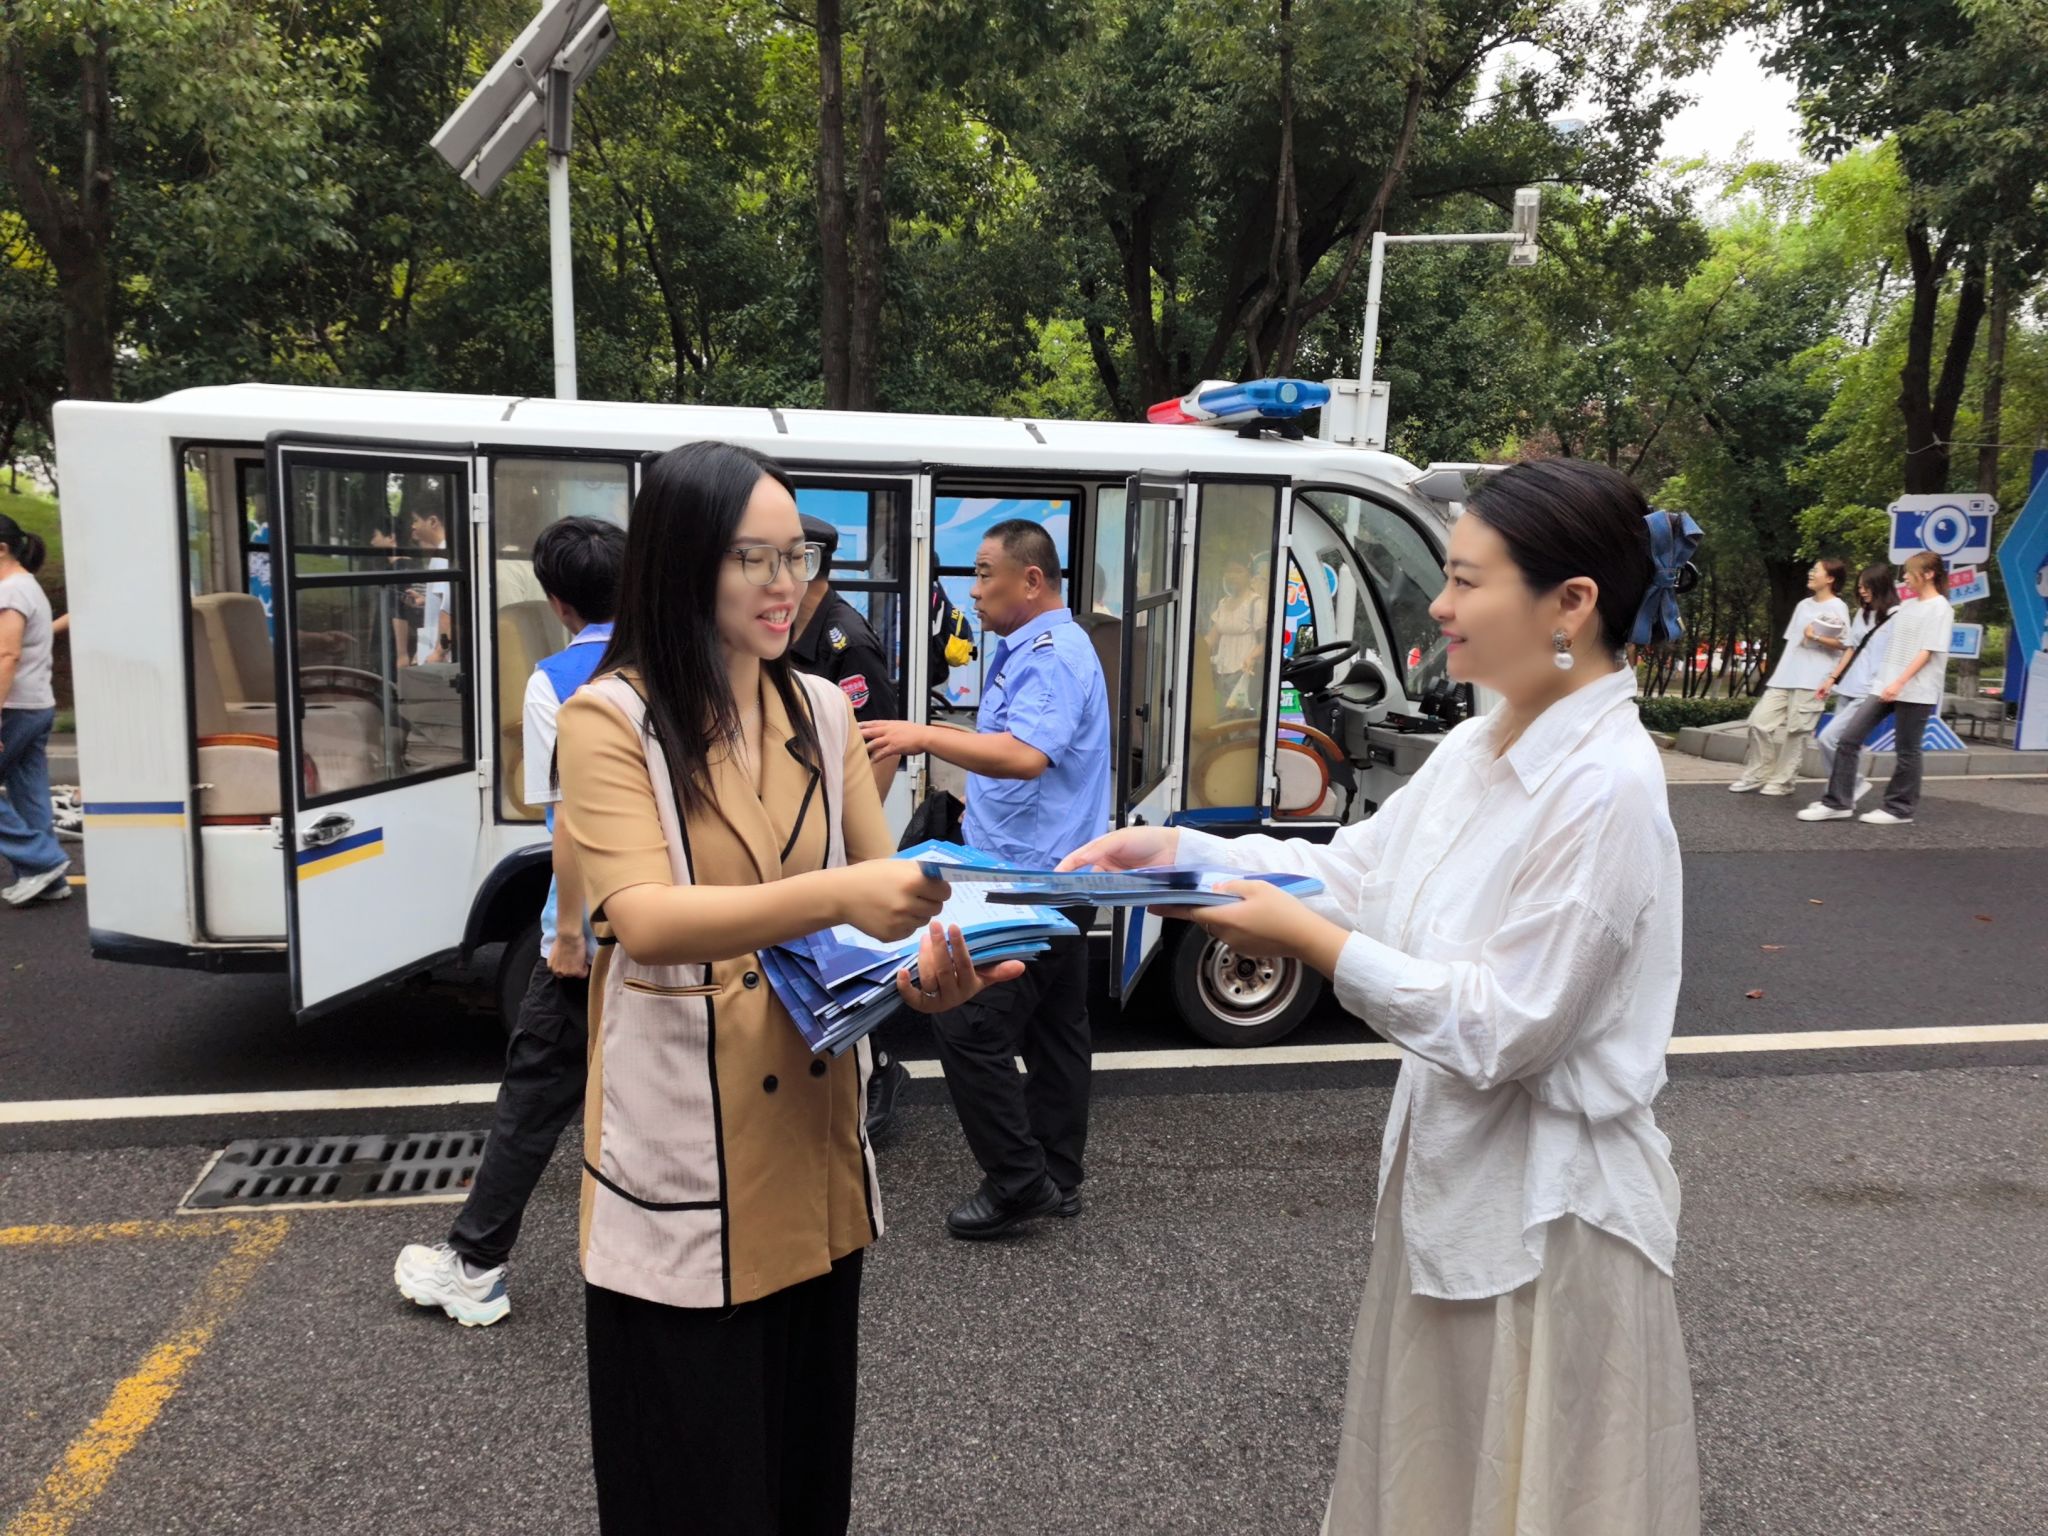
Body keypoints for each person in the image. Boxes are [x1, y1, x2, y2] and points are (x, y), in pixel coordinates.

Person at [1064, 459, 1702, 1535]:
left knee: (1521, 1486)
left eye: (1466, 581)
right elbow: (1357, 871)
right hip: (1457, 1186)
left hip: (1547, 1218)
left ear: (1570, 603)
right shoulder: (1483, 740)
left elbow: (1508, 1027)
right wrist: (1179, 853)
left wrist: (1308, 944)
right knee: (1436, 1474)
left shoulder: (1605, 786)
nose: (1439, 606)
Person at [553, 441, 1019, 1535]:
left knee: (802, 1485)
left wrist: (929, 978)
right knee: (692, 1489)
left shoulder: (818, 708)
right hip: (683, 1150)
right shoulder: (609, 718)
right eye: (748, 557)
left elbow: (878, 913)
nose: (782, 583)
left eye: (796, 555)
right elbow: (646, 918)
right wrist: (842, 895)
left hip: (810, 1154)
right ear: (681, 561)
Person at [392, 516, 627, 1326]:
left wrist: (567, 935)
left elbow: (573, 823)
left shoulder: (558, 681)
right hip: (683, 918)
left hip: (602, 925)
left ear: (558, 603)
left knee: (535, 1092)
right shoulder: (687, 659)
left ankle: (474, 1266)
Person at [859, 520, 1111, 1240]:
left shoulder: (1053, 654)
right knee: (1057, 1029)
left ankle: (1018, 1182)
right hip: (1045, 873)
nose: (972, 591)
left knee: (967, 1023)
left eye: (982, 573)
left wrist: (923, 735)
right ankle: (1056, 1175)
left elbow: (1027, 756)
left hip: (1029, 883)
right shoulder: (1035, 646)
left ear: (1030, 580)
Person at [787, 510, 911, 1132]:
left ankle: (880, 1067)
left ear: (810, 564)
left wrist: (850, 838)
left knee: (844, 953)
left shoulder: (846, 642)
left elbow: (880, 748)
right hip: (803, 817)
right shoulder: (789, 632)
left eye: (784, 560)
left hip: (833, 824)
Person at [1798, 550, 1953, 826]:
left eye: (1910, 573)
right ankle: (1839, 803)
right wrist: (1885, 681)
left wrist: (1900, 682)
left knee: (1907, 750)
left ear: (1929, 574)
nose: (1905, 578)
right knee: (1847, 739)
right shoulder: (1907, 606)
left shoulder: (1940, 608)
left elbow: (1927, 651)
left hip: (1915, 690)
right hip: (1883, 686)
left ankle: (1899, 809)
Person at [1729, 557, 1849, 795]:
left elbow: (1845, 644)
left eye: (1816, 571)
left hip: (1813, 678)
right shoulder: (1803, 605)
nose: (1811, 573)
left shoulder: (1838, 607)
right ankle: (1758, 772)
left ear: (1830, 578)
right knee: (1758, 722)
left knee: (1797, 732)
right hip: (1785, 675)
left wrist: (1816, 638)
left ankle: (1783, 781)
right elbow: (1793, 641)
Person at [0, 512, 69, 907]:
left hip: (13, 706)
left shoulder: (10, 592)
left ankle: (42, 861)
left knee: (30, 793)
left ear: (2, 549)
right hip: (35, 705)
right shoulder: (27, 587)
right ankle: (47, 880)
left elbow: (7, 655)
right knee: (30, 794)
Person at [1806, 562, 1899, 812]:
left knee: (1829, 738)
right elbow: (1852, 648)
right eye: (1860, 587)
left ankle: (1845, 791)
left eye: (1867, 587)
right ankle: (1841, 793)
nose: (1862, 591)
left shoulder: (1897, 616)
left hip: (1870, 690)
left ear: (1881, 586)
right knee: (1845, 744)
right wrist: (1832, 678)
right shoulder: (1863, 614)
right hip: (1849, 686)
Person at [1205, 554, 1267, 713]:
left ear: (1249, 575)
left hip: (1244, 672)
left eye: (1238, 571)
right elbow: (1211, 637)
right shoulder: (1223, 603)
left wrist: (1252, 657)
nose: (1232, 575)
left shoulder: (1256, 603)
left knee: (1238, 717)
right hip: (1221, 672)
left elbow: (1265, 641)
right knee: (1221, 716)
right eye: (1229, 571)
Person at [407, 506, 454, 665]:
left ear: (433, 521)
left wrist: (438, 652)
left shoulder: (442, 557)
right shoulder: (443, 553)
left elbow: (449, 610)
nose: (413, 526)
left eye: (416, 520)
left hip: (442, 658)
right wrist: (426, 600)